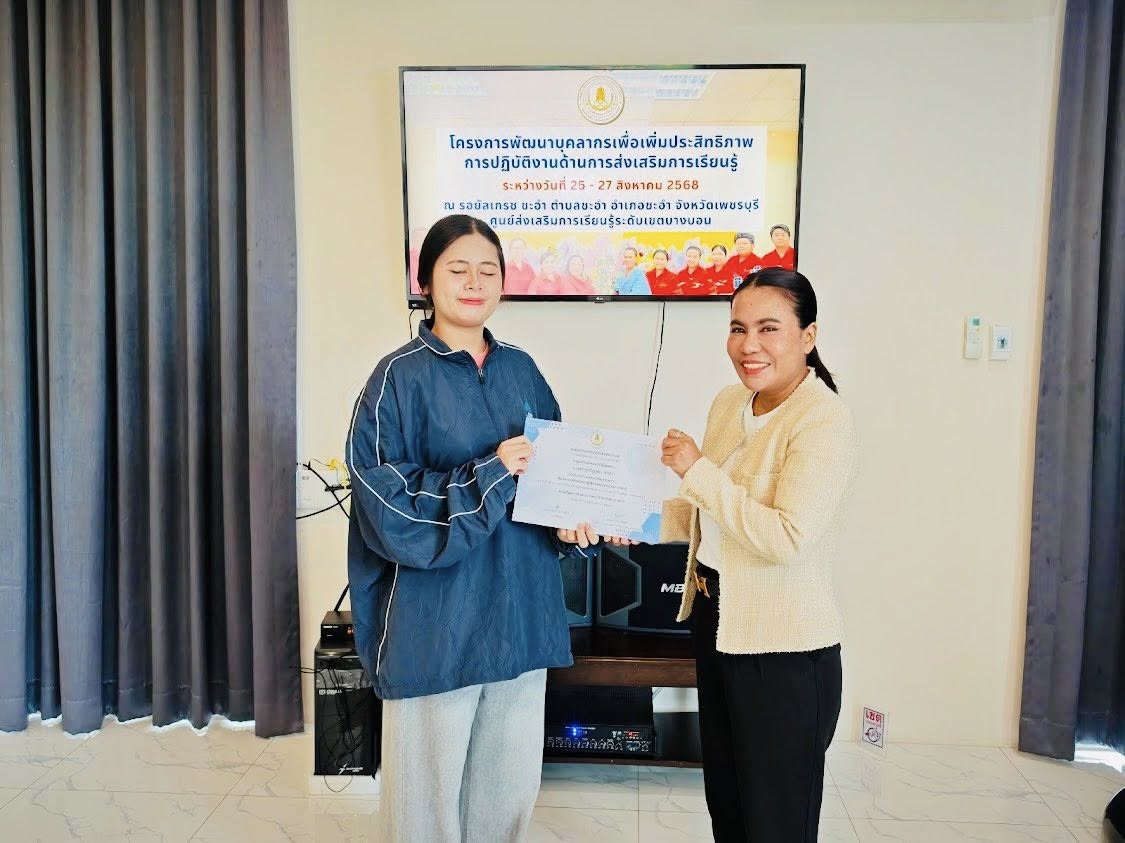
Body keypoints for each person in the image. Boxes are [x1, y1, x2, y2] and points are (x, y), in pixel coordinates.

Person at [346, 214, 610, 842]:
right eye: (457, 269)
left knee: (506, 798)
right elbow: (387, 507)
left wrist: (571, 524)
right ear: (426, 281)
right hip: (435, 624)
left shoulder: (523, 370)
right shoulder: (396, 378)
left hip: (520, 618)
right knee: (424, 809)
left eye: (488, 270)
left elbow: (551, 482)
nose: (474, 282)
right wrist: (490, 473)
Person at [660, 267, 857, 842]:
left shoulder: (823, 419)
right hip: (718, 624)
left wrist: (696, 470)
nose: (749, 345)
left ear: (808, 336)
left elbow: (787, 537)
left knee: (776, 822)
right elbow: (712, 514)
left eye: (769, 328)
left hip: (784, 649)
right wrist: (632, 521)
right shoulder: (730, 403)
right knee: (728, 804)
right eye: (738, 328)